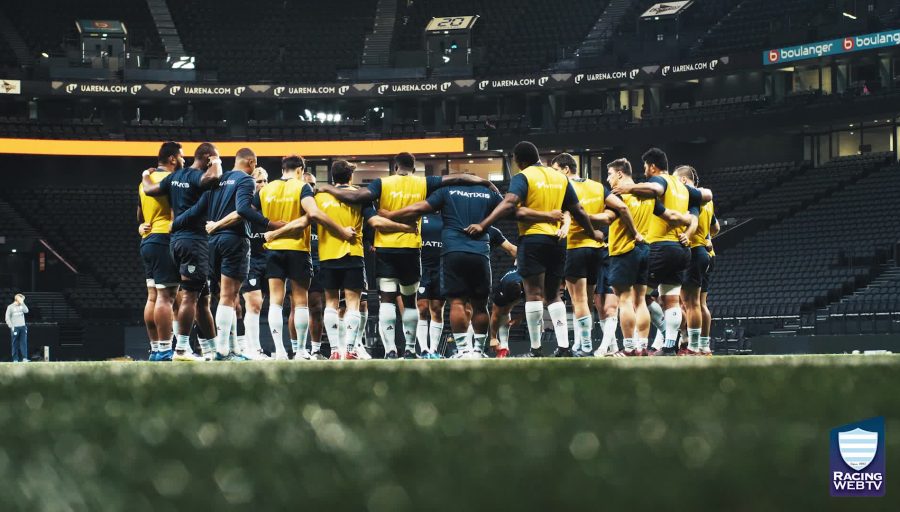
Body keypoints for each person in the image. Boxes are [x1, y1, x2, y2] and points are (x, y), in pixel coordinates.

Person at [317, 152, 499, 359]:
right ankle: (411, 349)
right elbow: (457, 178)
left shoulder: (382, 183)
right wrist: (484, 182)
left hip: (384, 248)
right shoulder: (424, 182)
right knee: (410, 301)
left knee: (386, 300)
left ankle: (390, 351)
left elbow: (355, 196)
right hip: (411, 247)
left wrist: (327, 187)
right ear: (413, 168)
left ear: (395, 167)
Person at [466, 141, 603, 358]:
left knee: (534, 294)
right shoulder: (560, 178)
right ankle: (564, 347)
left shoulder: (525, 176)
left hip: (533, 239)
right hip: (557, 242)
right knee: (554, 295)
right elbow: (577, 209)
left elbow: (510, 203)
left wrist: (484, 224)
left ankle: (536, 349)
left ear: (520, 161)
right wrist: (592, 232)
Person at [269, 160, 415, 359]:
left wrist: (276, 233)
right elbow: (375, 221)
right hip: (352, 254)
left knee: (331, 303)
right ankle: (350, 350)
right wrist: (404, 228)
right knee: (354, 304)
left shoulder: (319, 197)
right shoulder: (358, 196)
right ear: (350, 177)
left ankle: (335, 351)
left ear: (332, 177)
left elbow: (305, 220)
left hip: (327, 255)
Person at [380, 173, 502, 358]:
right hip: (480, 252)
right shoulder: (487, 193)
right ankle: (477, 350)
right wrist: (490, 189)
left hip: (453, 251)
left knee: (457, 302)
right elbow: (507, 208)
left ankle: (463, 351)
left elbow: (417, 208)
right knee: (480, 304)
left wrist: (391, 214)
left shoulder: (446, 191)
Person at [611, 148, 712, 356]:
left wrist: (629, 188)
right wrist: (688, 231)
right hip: (681, 249)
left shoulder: (663, 181)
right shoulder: (684, 188)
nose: (645, 171)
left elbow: (655, 189)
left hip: (659, 246)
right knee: (671, 299)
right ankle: (669, 346)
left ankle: (637, 347)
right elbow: (706, 196)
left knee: (639, 299)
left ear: (652, 166)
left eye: (646, 167)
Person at [258, 155, 352, 361]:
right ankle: (301, 351)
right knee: (301, 303)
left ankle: (281, 352)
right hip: (297, 249)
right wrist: (341, 231)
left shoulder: (266, 189)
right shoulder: (302, 188)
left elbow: (249, 213)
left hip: (272, 249)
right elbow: (314, 214)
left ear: (283, 168)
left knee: (275, 302)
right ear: (300, 169)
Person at [545, 153, 638, 357]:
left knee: (578, 301)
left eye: (556, 170)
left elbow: (566, 215)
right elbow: (620, 207)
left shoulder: (562, 188)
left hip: (575, 246)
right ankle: (583, 343)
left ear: (566, 170)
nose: (554, 175)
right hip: (598, 249)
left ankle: (585, 346)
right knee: (588, 301)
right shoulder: (597, 186)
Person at [141, 142, 222, 361]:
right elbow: (212, 178)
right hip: (188, 240)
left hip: (170, 241)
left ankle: (211, 350)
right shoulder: (196, 175)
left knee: (201, 298)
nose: (183, 159)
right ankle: (179, 349)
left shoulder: (171, 178)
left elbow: (147, 196)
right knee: (185, 297)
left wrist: (144, 175)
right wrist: (217, 162)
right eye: (181, 156)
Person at [203, 167, 271, 359]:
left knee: (236, 302)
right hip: (241, 251)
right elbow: (239, 212)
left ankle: (237, 348)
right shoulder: (243, 198)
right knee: (245, 302)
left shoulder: (267, 202)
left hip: (264, 256)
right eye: (259, 181)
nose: (263, 185)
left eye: (266, 181)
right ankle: (245, 348)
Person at [605, 158, 657, 356]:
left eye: (610, 174)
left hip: (623, 250)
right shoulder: (646, 194)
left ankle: (628, 348)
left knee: (624, 300)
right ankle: (642, 346)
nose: (608, 179)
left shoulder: (619, 195)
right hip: (643, 249)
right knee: (640, 300)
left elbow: (610, 217)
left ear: (619, 173)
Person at [137, 141, 184, 361]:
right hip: (165, 238)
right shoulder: (172, 180)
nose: (184, 160)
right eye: (182, 156)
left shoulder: (143, 182)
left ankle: (155, 348)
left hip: (147, 240)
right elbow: (176, 214)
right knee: (167, 297)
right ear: (173, 158)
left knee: (153, 297)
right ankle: (166, 349)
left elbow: (140, 217)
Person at [673, 165, 718, 355]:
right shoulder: (707, 201)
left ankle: (691, 345)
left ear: (683, 180)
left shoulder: (690, 198)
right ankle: (703, 345)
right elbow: (715, 227)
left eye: (675, 180)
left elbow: (692, 221)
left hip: (694, 251)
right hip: (708, 253)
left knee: (688, 303)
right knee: (700, 304)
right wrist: (707, 238)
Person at [489, 266, 524, 358]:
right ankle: (504, 348)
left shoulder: (529, 283)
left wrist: (521, 317)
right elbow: (495, 315)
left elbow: (539, 301)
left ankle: (536, 348)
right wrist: (493, 338)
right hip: (505, 284)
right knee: (503, 311)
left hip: (526, 275)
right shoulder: (499, 292)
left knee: (535, 304)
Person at [5, 294, 28, 362]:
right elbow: (7, 318)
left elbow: (27, 311)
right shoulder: (10, 307)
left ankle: (24, 358)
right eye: (21, 299)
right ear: (17, 299)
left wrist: (23, 303)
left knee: (23, 343)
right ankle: (15, 359)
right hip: (15, 327)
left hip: (23, 327)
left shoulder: (22, 305)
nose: (22, 300)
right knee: (15, 344)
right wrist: (11, 326)